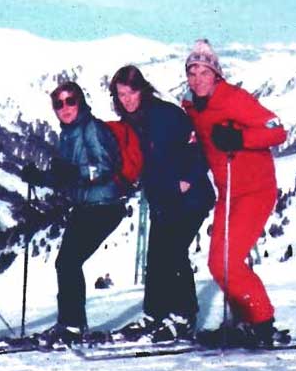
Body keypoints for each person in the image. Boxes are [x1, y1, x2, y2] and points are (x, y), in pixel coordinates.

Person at [180, 39, 288, 347]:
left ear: (216, 74)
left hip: (256, 190)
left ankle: (261, 321)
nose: (198, 79)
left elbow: (277, 130)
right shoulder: (194, 108)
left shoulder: (234, 99)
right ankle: (244, 321)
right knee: (218, 263)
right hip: (228, 192)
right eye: (192, 73)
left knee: (226, 262)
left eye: (204, 72)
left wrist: (239, 137)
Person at [107, 65, 215, 343]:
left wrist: (187, 180)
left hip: (190, 197)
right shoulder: (131, 123)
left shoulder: (166, 114)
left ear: (142, 90)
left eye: (132, 92)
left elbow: (199, 147)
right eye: (121, 94)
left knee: (173, 252)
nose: (127, 99)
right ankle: (155, 313)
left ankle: (184, 315)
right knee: (156, 257)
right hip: (162, 199)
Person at [20, 81, 127, 346]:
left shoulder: (91, 129)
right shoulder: (68, 133)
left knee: (67, 262)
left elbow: (103, 167)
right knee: (66, 263)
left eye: (70, 101)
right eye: (59, 104)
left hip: (104, 206)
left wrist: (72, 173)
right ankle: (70, 323)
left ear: (80, 102)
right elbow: (66, 178)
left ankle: (72, 325)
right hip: (86, 206)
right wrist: (42, 177)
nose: (65, 108)